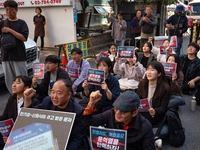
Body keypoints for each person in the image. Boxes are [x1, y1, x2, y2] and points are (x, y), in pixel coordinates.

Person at [23, 79, 89, 150]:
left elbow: (77, 140)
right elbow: (30, 115)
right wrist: (27, 99)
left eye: (59, 93)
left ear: (69, 95)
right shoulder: (48, 101)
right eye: (53, 92)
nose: (55, 96)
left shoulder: (78, 111)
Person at [82, 90, 155, 150]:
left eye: (123, 111)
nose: (117, 113)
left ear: (134, 113)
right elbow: (87, 124)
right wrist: (91, 104)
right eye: (116, 108)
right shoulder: (111, 114)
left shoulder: (145, 126)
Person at [137, 61, 171, 148]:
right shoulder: (142, 84)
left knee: (167, 130)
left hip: (155, 117)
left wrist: (155, 111)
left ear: (159, 74)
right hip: (142, 115)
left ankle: (148, 136)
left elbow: (163, 108)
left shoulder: (165, 88)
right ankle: (154, 137)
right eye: (147, 69)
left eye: (152, 70)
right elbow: (137, 100)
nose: (149, 72)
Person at [0, 0, 29, 94]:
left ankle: (25, 99)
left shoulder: (21, 23)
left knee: (22, 79)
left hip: (19, 56)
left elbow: (24, 38)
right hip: (5, 56)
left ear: (16, 10)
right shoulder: (2, 23)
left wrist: (9, 30)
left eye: (11, 10)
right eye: (7, 9)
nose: (9, 12)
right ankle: (14, 98)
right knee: (9, 81)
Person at [0, 76, 39, 145]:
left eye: (18, 83)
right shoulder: (12, 99)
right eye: (13, 83)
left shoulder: (33, 101)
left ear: (26, 87)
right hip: (11, 133)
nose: (14, 85)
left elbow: (32, 125)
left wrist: (13, 137)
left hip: (26, 135)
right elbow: (4, 117)